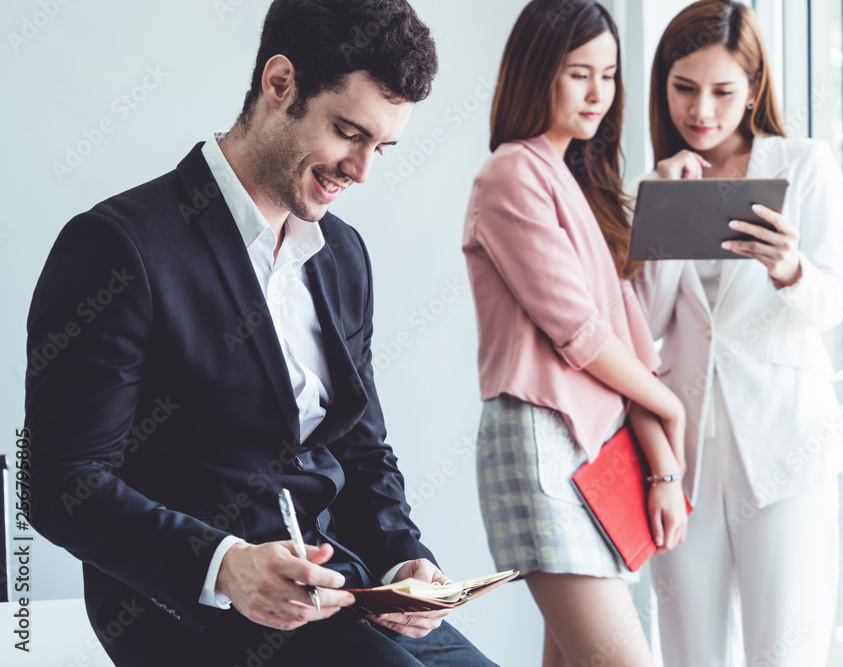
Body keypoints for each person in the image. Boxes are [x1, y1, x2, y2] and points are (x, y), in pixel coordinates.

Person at [24, 1, 496, 665]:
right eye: (348, 132)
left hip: (335, 588)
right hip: (190, 615)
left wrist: (401, 561)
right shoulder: (118, 247)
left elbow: (360, 447)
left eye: (381, 147)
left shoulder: (343, 255)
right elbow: (61, 481)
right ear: (280, 84)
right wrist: (225, 565)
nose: (362, 170)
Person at [462, 2, 689, 665]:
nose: (599, 94)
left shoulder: (575, 183)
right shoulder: (511, 172)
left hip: (590, 448)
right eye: (579, 74)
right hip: (543, 441)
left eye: (610, 75)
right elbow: (581, 334)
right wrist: (669, 409)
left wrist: (663, 467)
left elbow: (630, 337)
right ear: (537, 73)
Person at [630, 1, 843, 665]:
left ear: (753, 89)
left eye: (724, 91)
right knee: (689, 652)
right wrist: (662, 214)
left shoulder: (803, 164)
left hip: (786, 443)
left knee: (786, 650)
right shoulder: (655, 181)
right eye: (684, 88)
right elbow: (639, 330)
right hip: (686, 453)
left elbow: (833, 301)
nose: (702, 110)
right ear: (662, 84)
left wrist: (789, 268)